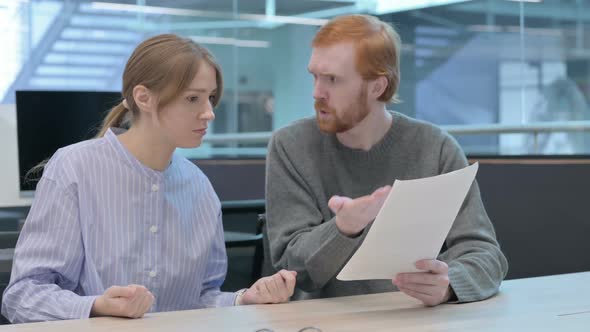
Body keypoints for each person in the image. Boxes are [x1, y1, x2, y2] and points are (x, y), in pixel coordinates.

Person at [2, 34, 296, 324]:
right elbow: (23, 296)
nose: (208, 113)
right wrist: (96, 306)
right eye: (193, 98)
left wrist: (242, 299)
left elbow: (202, 298)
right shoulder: (74, 168)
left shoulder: (199, 186)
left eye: (210, 98)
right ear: (143, 97)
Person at [265, 14, 508, 306]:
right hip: (328, 323)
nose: (317, 92)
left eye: (333, 80)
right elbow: (293, 270)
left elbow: (486, 256)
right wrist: (343, 228)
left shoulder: (436, 148)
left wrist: (449, 284)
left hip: (419, 320)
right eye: (315, 76)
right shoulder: (291, 147)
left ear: (377, 87)